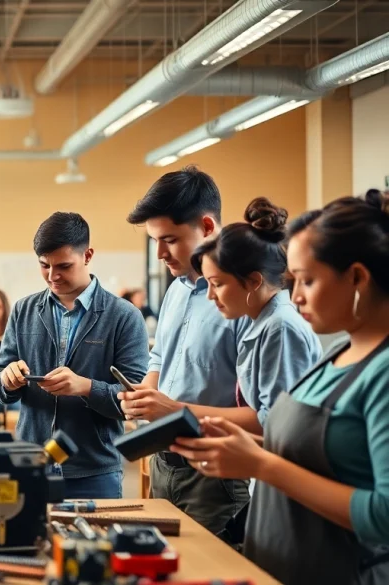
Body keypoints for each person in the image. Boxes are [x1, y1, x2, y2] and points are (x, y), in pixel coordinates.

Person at [170, 191, 389, 585]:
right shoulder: (338, 354)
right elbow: (310, 454)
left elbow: (383, 515)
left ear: (357, 277)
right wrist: (243, 445)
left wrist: (260, 464)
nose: (296, 295)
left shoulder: (382, 373)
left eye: (308, 280)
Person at [117, 166, 251, 534]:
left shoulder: (243, 299)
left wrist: (174, 411)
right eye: (154, 241)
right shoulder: (175, 290)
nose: (160, 253)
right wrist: (144, 395)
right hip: (163, 465)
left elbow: (265, 418)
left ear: (207, 227)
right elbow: (161, 358)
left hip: (215, 476)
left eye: (170, 240)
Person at [0, 212, 149, 498]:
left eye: (63, 266)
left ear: (87, 255)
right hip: (32, 465)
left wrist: (85, 387)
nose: (53, 276)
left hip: (94, 470)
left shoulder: (124, 316)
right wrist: (6, 380)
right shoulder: (23, 311)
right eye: (44, 265)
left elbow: (135, 400)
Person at [178, 198, 320, 434]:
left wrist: (178, 411)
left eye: (217, 284)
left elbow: (274, 422)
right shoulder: (263, 323)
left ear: (254, 281)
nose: (210, 296)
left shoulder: (280, 327)